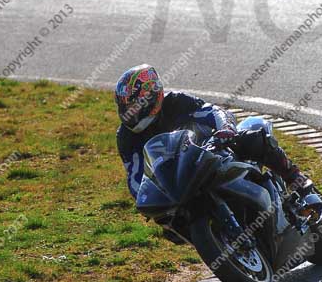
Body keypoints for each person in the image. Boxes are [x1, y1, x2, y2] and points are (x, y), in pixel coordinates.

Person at [115, 65, 308, 201]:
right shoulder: (126, 136)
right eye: (125, 106)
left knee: (254, 136)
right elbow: (135, 176)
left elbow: (213, 112)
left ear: (151, 96)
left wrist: (225, 128)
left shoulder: (176, 101)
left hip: (216, 150)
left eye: (133, 104)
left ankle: (299, 183)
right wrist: (146, 196)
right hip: (182, 179)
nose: (129, 112)